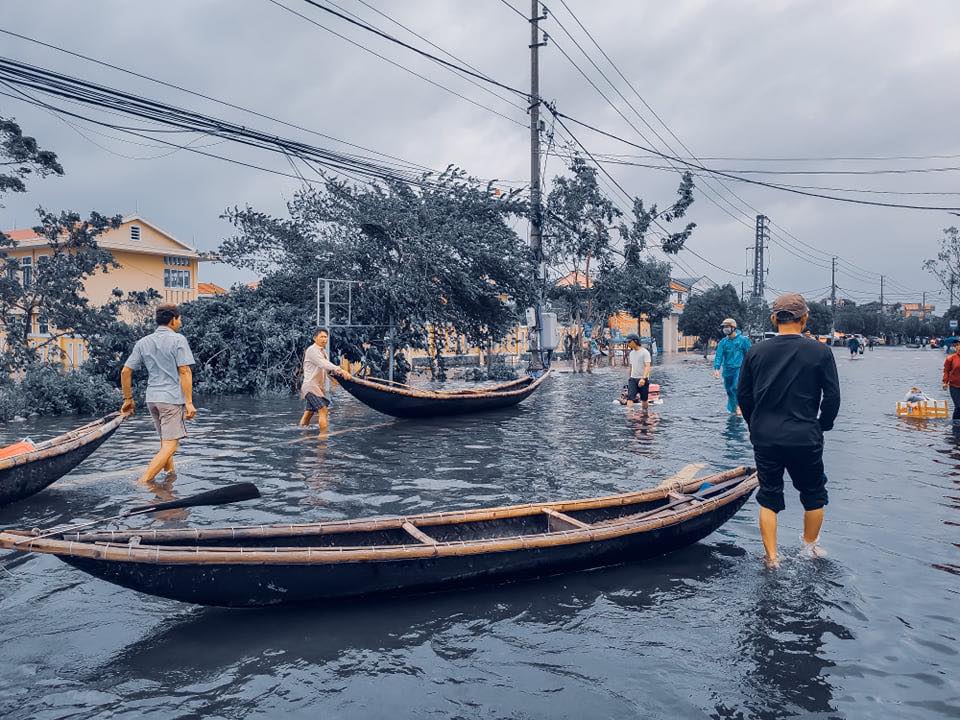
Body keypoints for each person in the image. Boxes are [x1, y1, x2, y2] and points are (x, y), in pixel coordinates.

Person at [737, 293, 841, 569]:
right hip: (805, 435)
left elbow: (743, 396)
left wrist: (754, 424)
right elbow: (832, 397)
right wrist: (822, 425)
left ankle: (772, 558)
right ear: (804, 319)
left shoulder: (755, 351)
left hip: (765, 436)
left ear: (774, 318)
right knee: (814, 494)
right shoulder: (820, 352)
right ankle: (809, 548)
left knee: (769, 496)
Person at [120, 304, 196, 484]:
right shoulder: (178, 339)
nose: (181, 322)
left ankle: (169, 476)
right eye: (179, 318)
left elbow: (125, 372)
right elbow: (184, 371)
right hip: (170, 399)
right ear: (173, 320)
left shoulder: (143, 342)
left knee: (165, 442)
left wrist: (128, 399)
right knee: (171, 444)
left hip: (152, 399)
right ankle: (143, 482)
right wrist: (189, 402)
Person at [299, 327, 348, 432]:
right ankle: (323, 437)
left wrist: (337, 377)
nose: (324, 339)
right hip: (311, 386)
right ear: (314, 338)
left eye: (326, 337)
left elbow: (326, 369)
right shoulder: (312, 350)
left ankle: (302, 432)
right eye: (321, 337)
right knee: (323, 410)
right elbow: (323, 363)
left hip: (317, 387)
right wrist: (340, 369)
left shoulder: (323, 352)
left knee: (309, 412)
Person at [713, 318, 752, 415]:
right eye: (724, 327)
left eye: (727, 327)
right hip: (727, 370)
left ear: (733, 328)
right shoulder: (723, 342)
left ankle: (739, 407)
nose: (725, 329)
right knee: (729, 390)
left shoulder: (743, 340)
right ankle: (733, 408)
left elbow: (749, 354)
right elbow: (719, 356)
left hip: (739, 368)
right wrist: (716, 368)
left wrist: (751, 368)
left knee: (735, 387)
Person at [625, 333, 652, 413]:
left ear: (635, 341)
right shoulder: (631, 353)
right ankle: (629, 415)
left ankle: (645, 414)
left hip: (643, 379)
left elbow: (647, 366)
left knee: (644, 399)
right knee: (630, 398)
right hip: (633, 379)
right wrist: (629, 377)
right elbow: (631, 366)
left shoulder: (645, 352)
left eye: (629, 342)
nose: (628, 344)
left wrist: (643, 378)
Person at [942, 339, 960, 421]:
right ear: (956, 347)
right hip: (954, 386)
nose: (959, 347)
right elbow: (946, 371)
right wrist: (945, 382)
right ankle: (955, 423)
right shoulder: (951, 358)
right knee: (958, 406)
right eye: (958, 346)